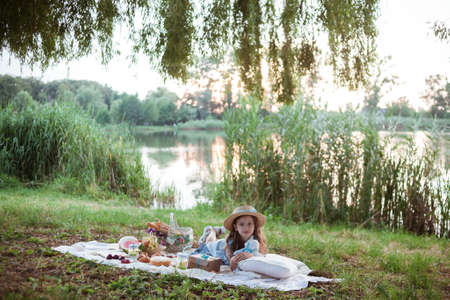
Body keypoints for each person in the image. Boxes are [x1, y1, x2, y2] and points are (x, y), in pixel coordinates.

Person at [191, 205, 267, 271]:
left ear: (254, 226)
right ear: (236, 227)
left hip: (220, 244)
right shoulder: (231, 241)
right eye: (241, 224)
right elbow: (232, 266)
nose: (246, 228)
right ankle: (211, 231)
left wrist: (251, 256)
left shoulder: (255, 240)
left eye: (249, 224)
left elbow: (260, 256)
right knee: (208, 244)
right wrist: (234, 260)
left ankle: (218, 230)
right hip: (211, 249)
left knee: (215, 241)